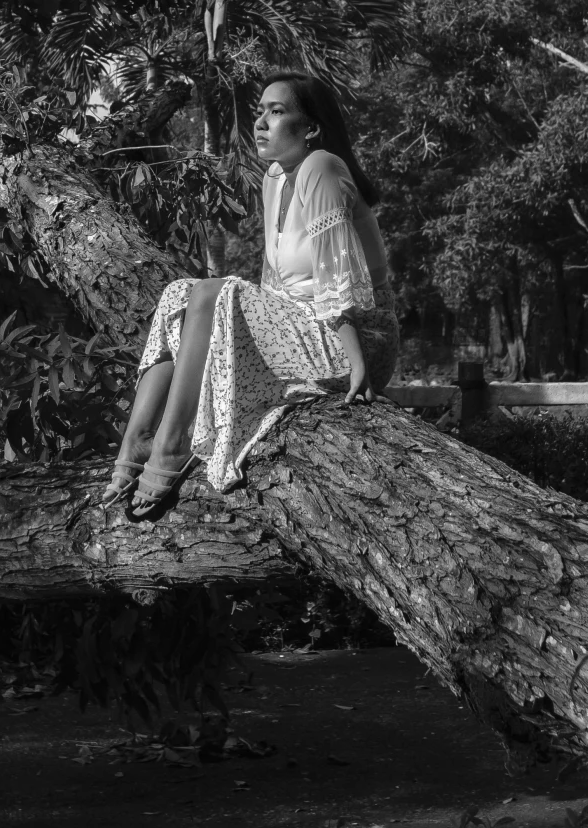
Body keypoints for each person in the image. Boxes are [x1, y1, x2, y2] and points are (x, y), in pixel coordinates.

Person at [102, 71, 399, 516]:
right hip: (303, 326)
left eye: (277, 112)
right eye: (260, 111)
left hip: (357, 336)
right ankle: (137, 441)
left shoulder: (322, 166)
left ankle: (171, 445)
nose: (260, 122)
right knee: (180, 294)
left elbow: (338, 283)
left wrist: (361, 367)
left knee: (212, 294)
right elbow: (274, 283)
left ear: (311, 128)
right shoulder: (276, 177)